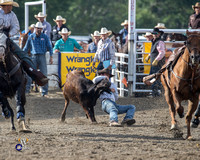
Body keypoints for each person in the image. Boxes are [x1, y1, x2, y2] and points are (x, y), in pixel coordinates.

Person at [0, 0, 48, 121]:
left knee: (24, 56)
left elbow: (16, 27)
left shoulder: (12, 15)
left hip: (6, 39)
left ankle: (35, 74)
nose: (10, 7)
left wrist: (7, 35)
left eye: (11, 5)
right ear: (4, 6)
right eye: (9, 5)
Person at [23, 22, 53, 97]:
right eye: (37, 28)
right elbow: (26, 48)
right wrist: (22, 55)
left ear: (42, 29)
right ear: (35, 28)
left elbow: (49, 47)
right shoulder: (31, 37)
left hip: (42, 56)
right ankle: (27, 90)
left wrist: (51, 56)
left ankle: (44, 92)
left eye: (40, 28)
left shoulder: (45, 37)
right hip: (33, 56)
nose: (39, 29)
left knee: (44, 74)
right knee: (30, 73)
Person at [145, 28, 165, 97]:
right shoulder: (154, 41)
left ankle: (156, 92)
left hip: (158, 63)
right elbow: (154, 51)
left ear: (159, 34)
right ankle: (156, 92)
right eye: (153, 33)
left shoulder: (159, 42)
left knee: (155, 77)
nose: (154, 35)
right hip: (155, 63)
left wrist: (156, 60)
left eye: (156, 33)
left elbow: (162, 52)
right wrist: (149, 56)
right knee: (154, 77)